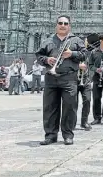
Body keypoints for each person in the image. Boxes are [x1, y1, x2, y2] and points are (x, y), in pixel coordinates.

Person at [36, 15, 87, 146]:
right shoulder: (48, 41)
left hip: (69, 78)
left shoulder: (76, 40)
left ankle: (68, 135)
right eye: (60, 23)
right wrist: (47, 60)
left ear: (69, 26)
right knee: (50, 108)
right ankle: (50, 135)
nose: (62, 25)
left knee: (70, 108)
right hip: (51, 78)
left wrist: (72, 54)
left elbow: (85, 54)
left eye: (65, 23)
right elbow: (39, 56)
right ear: (56, 25)